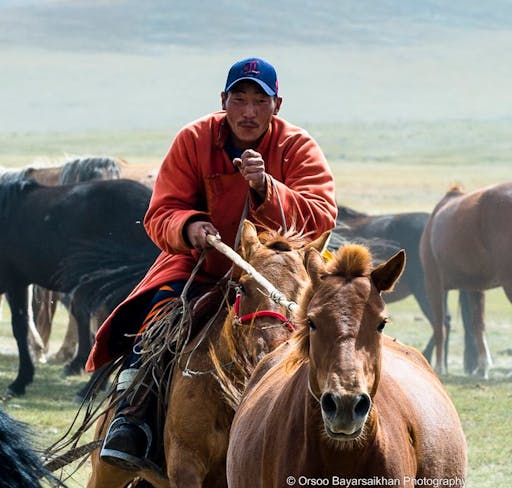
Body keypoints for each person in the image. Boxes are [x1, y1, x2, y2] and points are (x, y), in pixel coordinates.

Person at [88, 56, 337, 471]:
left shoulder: (298, 146)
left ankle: (344, 417)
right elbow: (161, 212)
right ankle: (132, 420)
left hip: (277, 276)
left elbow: (321, 215)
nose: (249, 111)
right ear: (224, 100)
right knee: (159, 320)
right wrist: (189, 227)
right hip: (200, 267)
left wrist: (266, 188)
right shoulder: (194, 139)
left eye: (260, 101)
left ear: (278, 105)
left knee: (339, 328)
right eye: (239, 99)